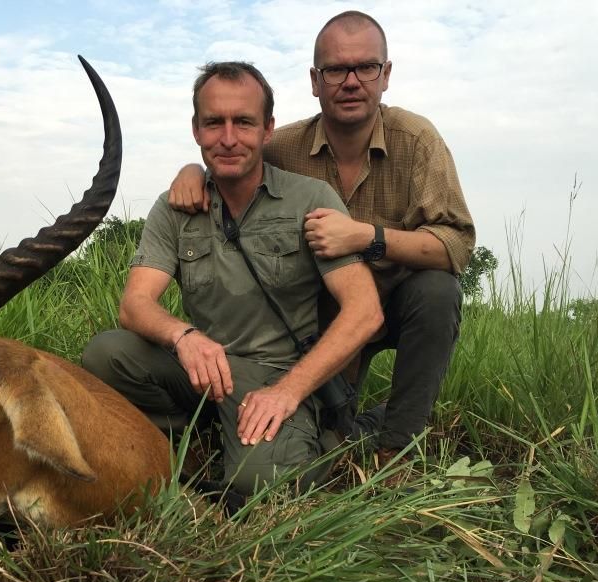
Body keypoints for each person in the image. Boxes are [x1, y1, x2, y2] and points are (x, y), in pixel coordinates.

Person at [168, 11, 475, 460]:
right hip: (318, 311)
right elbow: (232, 154)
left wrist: (367, 237)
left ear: (386, 75)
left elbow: (457, 244)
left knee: (438, 292)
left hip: (395, 301)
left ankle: (395, 446)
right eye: (335, 70)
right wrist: (191, 170)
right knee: (332, 429)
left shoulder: (418, 140)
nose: (351, 81)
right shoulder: (284, 147)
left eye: (366, 67)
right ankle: (344, 426)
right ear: (315, 80)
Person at [82, 61, 382, 498]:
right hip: (203, 370)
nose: (227, 138)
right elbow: (135, 305)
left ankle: (323, 441)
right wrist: (184, 337)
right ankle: (213, 431)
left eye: (243, 122)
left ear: (267, 130)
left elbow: (365, 311)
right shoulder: (173, 207)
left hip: (276, 375)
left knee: (258, 486)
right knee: (106, 354)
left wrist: (287, 392)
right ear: (196, 129)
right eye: (213, 123)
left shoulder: (310, 198)